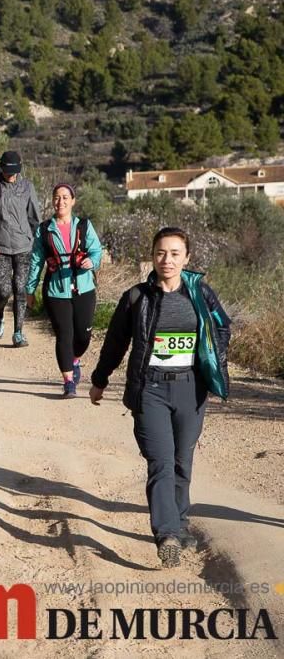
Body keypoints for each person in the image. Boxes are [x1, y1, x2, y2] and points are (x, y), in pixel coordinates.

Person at [89, 227, 230, 569]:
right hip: (149, 389)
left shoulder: (200, 294)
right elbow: (116, 342)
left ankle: (180, 525)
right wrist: (100, 379)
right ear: (152, 256)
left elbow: (222, 327)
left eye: (174, 253)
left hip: (190, 388)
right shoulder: (136, 297)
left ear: (187, 258)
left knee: (183, 460)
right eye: (160, 253)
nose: (167, 260)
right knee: (161, 462)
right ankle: (166, 533)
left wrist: (212, 360)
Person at [25, 183, 103, 396]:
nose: (61, 201)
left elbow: (97, 250)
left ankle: (75, 359)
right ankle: (68, 381)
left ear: (73, 200)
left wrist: (91, 262)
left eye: (65, 197)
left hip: (84, 288)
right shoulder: (44, 229)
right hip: (55, 291)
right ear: (52, 201)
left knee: (83, 335)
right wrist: (30, 290)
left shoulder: (84, 226)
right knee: (64, 335)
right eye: (57, 197)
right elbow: (36, 261)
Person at [0, 150, 40, 347]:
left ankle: (18, 332)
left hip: (24, 246)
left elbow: (34, 216)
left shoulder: (27, 187)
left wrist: (31, 238)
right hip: (1, 247)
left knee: (20, 289)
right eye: (7, 171)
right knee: (5, 290)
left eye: (13, 171)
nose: (10, 175)